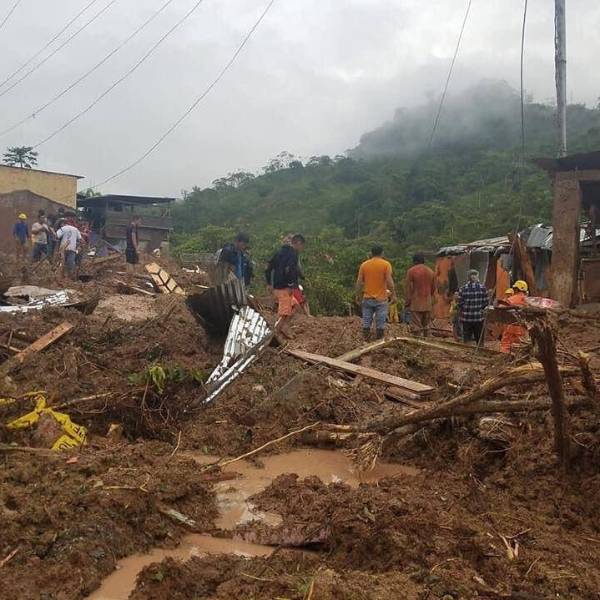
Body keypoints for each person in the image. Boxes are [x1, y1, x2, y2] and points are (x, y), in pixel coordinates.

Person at [265, 234, 306, 338]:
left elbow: (268, 268)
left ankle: (284, 327)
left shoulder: (279, 253)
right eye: (302, 245)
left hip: (277, 286)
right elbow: (290, 270)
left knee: (295, 307)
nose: (302, 248)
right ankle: (275, 334)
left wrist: (269, 283)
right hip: (285, 288)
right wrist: (290, 285)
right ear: (298, 243)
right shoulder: (293, 254)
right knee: (284, 314)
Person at [355, 246, 396, 341]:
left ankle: (366, 340)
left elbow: (359, 281)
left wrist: (357, 295)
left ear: (371, 253)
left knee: (366, 321)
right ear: (382, 253)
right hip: (381, 299)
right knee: (380, 323)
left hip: (367, 298)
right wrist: (393, 294)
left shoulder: (364, 265)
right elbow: (389, 280)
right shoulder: (386, 264)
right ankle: (379, 341)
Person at [404, 254, 435, 337]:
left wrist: (407, 302)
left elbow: (408, 288)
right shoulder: (431, 271)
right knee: (427, 326)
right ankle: (427, 342)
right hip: (427, 302)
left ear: (415, 261)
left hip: (416, 302)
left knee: (416, 326)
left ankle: (417, 341)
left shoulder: (411, 271)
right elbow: (433, 288)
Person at [457, 269, 489, 345]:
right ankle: (480, 349)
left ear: (468, 277)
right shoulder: (483, 288)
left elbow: (460, 303)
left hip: (466, 319)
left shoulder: (462, 289)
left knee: (467, 340)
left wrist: (466, 309)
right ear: (477, 277)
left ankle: (467, 351)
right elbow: (486, 302)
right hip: (478, 318)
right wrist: (480, 309)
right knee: (479, 340)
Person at [500, 280, 529, 353]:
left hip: (510, 325)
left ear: (516, 289)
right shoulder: (528, 300)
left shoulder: (511, 299)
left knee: (506, 343)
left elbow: (500, 306)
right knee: (521, 345)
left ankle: (504, 357)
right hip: (522, 327)